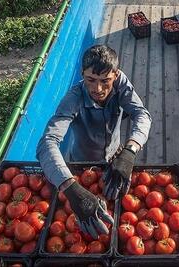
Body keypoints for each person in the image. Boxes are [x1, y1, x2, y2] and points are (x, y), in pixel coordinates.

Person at [36, 45, 152, 238]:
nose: (98, 89)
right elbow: (47, 142)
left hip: (116, 159)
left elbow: (142, 114)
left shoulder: (121, 84)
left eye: (105, 81)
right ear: (82, 74)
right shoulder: (73, 99)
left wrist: (130, 151)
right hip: (83, 166)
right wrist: (71, 188)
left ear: (116, 75)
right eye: (90, 80)